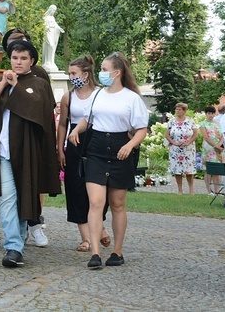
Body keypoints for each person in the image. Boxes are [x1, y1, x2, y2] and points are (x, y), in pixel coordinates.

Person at [0, 38, 60, 268]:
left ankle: (17, 242)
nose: (18, 62)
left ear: (31, 60)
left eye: (23, 58)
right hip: (1, 152)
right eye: (15, 58)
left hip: (26, 152)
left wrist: (15, 86)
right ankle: (13, 246)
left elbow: (35, 108)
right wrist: (3, 83)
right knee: (7, 198)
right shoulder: (0, 80)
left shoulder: (38, 83)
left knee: (23, 196)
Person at [68, 52, 149, 269]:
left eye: (104, 70)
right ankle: (95, 252)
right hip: (96, 150)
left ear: (117, 72)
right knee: (95, 202)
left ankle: (117, 251)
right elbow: (87, 118)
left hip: (121, 150)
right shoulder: (97, 95)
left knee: (117, 204)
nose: (101, 74)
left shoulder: (132, 98)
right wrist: (76, 130)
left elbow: (142, 129)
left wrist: (130, 146)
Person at [56, 55, 111, 253]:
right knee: (76, 189)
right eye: (70, 73)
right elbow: (62, 124)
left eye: (74, 73)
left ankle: (101, 226)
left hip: (95, 142)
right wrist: (60, 149)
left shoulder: (100, 94)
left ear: (85, 74)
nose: (71, 77)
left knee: (97, 189)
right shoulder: (68, 97)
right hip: (73, 145)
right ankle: (86, 238)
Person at [166, 103, 198, 195]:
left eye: (179, 109)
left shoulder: (190, 121)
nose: (177, 111)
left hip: (188, 148)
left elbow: (195, 134)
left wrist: (188, 142)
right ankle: (180, 189)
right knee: (177, 169)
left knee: (189, 169)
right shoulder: (172, 121)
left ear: (184, 111)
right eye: (176, 109)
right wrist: (174, 143)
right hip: (175, 148)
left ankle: (191, 189)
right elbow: (167, 134)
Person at [199, 105, 225, 195]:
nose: (211, 115)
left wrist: (219, 145)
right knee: (208, 170)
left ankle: (217, 190)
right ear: (206, 114)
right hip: (208, 149)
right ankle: (209, 191)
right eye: (209, 113)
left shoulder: (218, 124)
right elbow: (206, 137)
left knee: (217, 170)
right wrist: (215, 145)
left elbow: (223, 136)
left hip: (218, 149)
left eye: (212, 113)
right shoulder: (202, 124)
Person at [41, 5, 64, 73]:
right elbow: (44, 26)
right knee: (50, 45)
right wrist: (47, 27)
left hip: (53, 33)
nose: (54, 12)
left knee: (53, 46)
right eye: (53, 10)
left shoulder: (53, 18)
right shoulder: (46, 17)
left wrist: (59, 28)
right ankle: (47, 61)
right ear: (50, 9)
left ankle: (51, 61)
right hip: (48, 32)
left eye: (55, 10)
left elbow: (55, 25)